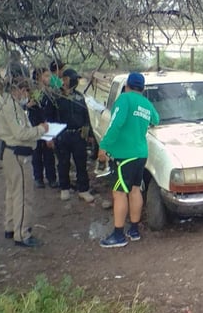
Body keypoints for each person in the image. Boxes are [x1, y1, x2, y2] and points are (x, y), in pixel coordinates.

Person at [98, 72, 160, 248]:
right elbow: (156, 119)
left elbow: (116, 123)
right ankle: (134, 230)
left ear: (126, 86)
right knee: (135, 190)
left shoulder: (124, 100)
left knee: (119, 193)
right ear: (142, 88)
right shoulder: (146, 104)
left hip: (124, 155)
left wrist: (104, 146)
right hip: (141, 154)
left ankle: (118, 235)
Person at [0, 78, 49, 247]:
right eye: (26, 92)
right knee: (23, 195)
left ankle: (11, 226)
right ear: (20, 90)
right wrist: (41, 130)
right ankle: (22, 234)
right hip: (18, 154)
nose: (27, 95)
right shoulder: (10, 106)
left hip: (10, 152)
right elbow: (20, 133)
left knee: (12, 192)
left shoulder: (3, 103)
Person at [54, 68, 95, 203]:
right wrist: (51, 137)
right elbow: (50, 118)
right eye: (73, 79)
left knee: (81, 163)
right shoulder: (56, 96)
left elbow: (86, 116)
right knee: (63, 163)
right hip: (62, 135)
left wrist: (89, 134)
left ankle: (83, 189)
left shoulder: (79, 96)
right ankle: (64, 187)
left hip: (78, 136)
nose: (75, 81)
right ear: (65, 80)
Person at [27, 68, 58, 188]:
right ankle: (38, 178)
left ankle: (51, 178)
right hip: (37, 127)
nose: (49, 78)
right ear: (39, 78)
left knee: (49, 154)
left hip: (48, 127)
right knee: (37, 153)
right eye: (46, 76)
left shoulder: (49, 93)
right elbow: (34, 112)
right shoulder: (35, 94)